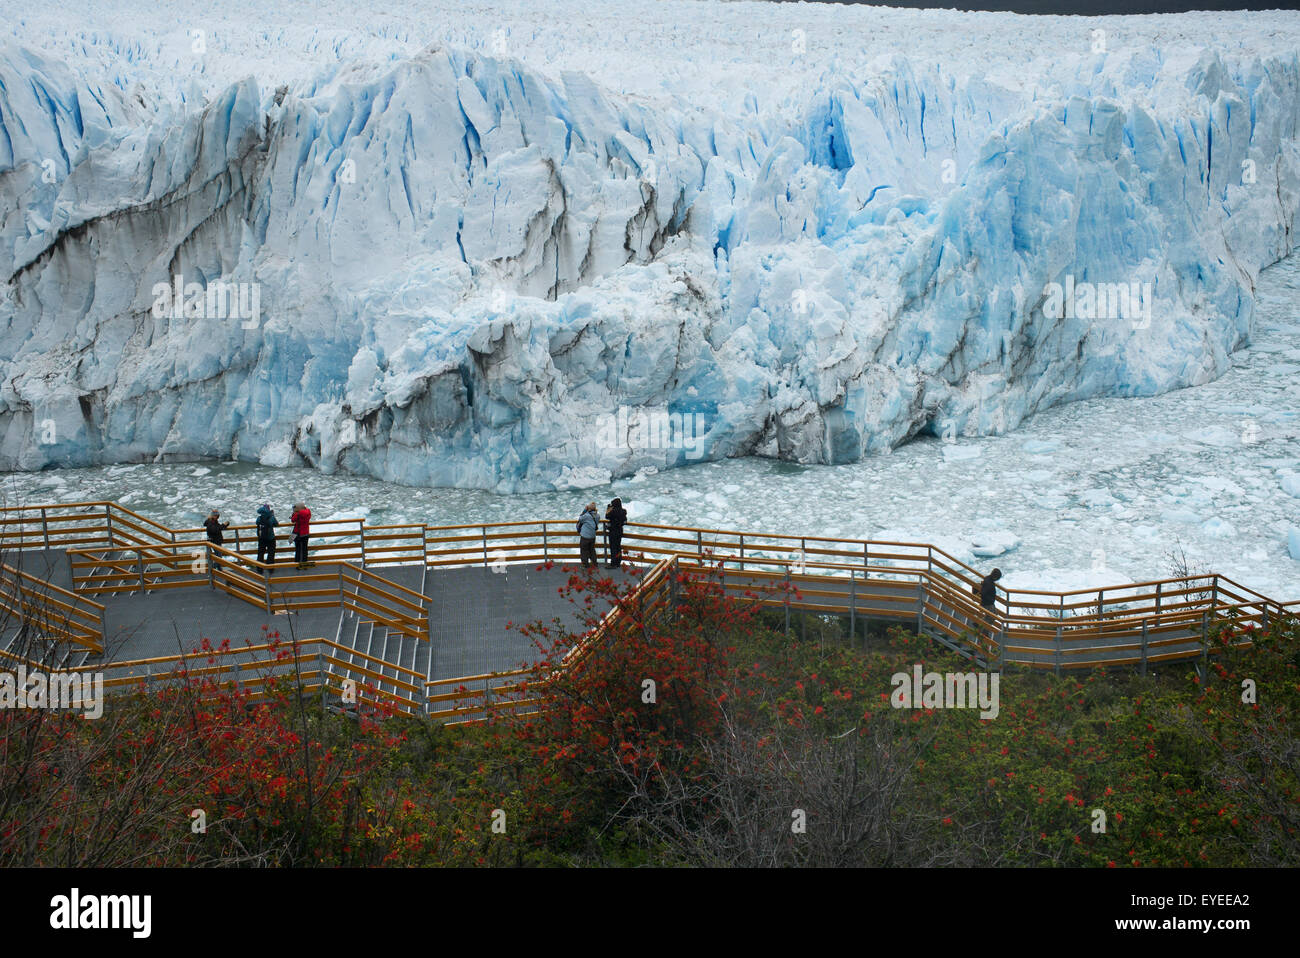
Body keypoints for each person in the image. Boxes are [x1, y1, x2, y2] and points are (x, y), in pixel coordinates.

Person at [604, 497, 627, 569]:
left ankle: (613, 563)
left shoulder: (613, 512)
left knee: (613, 547)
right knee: (618, 546)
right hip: (620, 531)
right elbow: (625, 521)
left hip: (613, 531)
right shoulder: (623, 511)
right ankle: (618, 562)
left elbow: (607, 516)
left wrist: (608, 509)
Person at [577, 501, 599, 571]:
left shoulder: (586, 515)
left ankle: (585, 564)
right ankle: (595, 563)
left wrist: (585, 510)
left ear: (589, 508)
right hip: (593, 536)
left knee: (584, 550)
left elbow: (580, 518)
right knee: (592, 549)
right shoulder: (598, 515)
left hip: (585, 536)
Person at [256, 503, 278, 570]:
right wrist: (272, 515)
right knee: (271, 552)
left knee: (261, 553)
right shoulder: (271, 517)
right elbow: (276, 524)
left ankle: (259, 568)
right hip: (270, 538)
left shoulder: (259, 518)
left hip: (261, 538)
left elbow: (257, 523)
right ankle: (270, 568)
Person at [290, 501, 312, 569]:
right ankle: (305, 565)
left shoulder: (298, 514)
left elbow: (293, 520)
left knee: (298, 550)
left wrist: (294, 514)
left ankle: (297, 565)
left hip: (298, 534)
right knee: (305, 550)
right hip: (305, 533)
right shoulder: (308, 512)